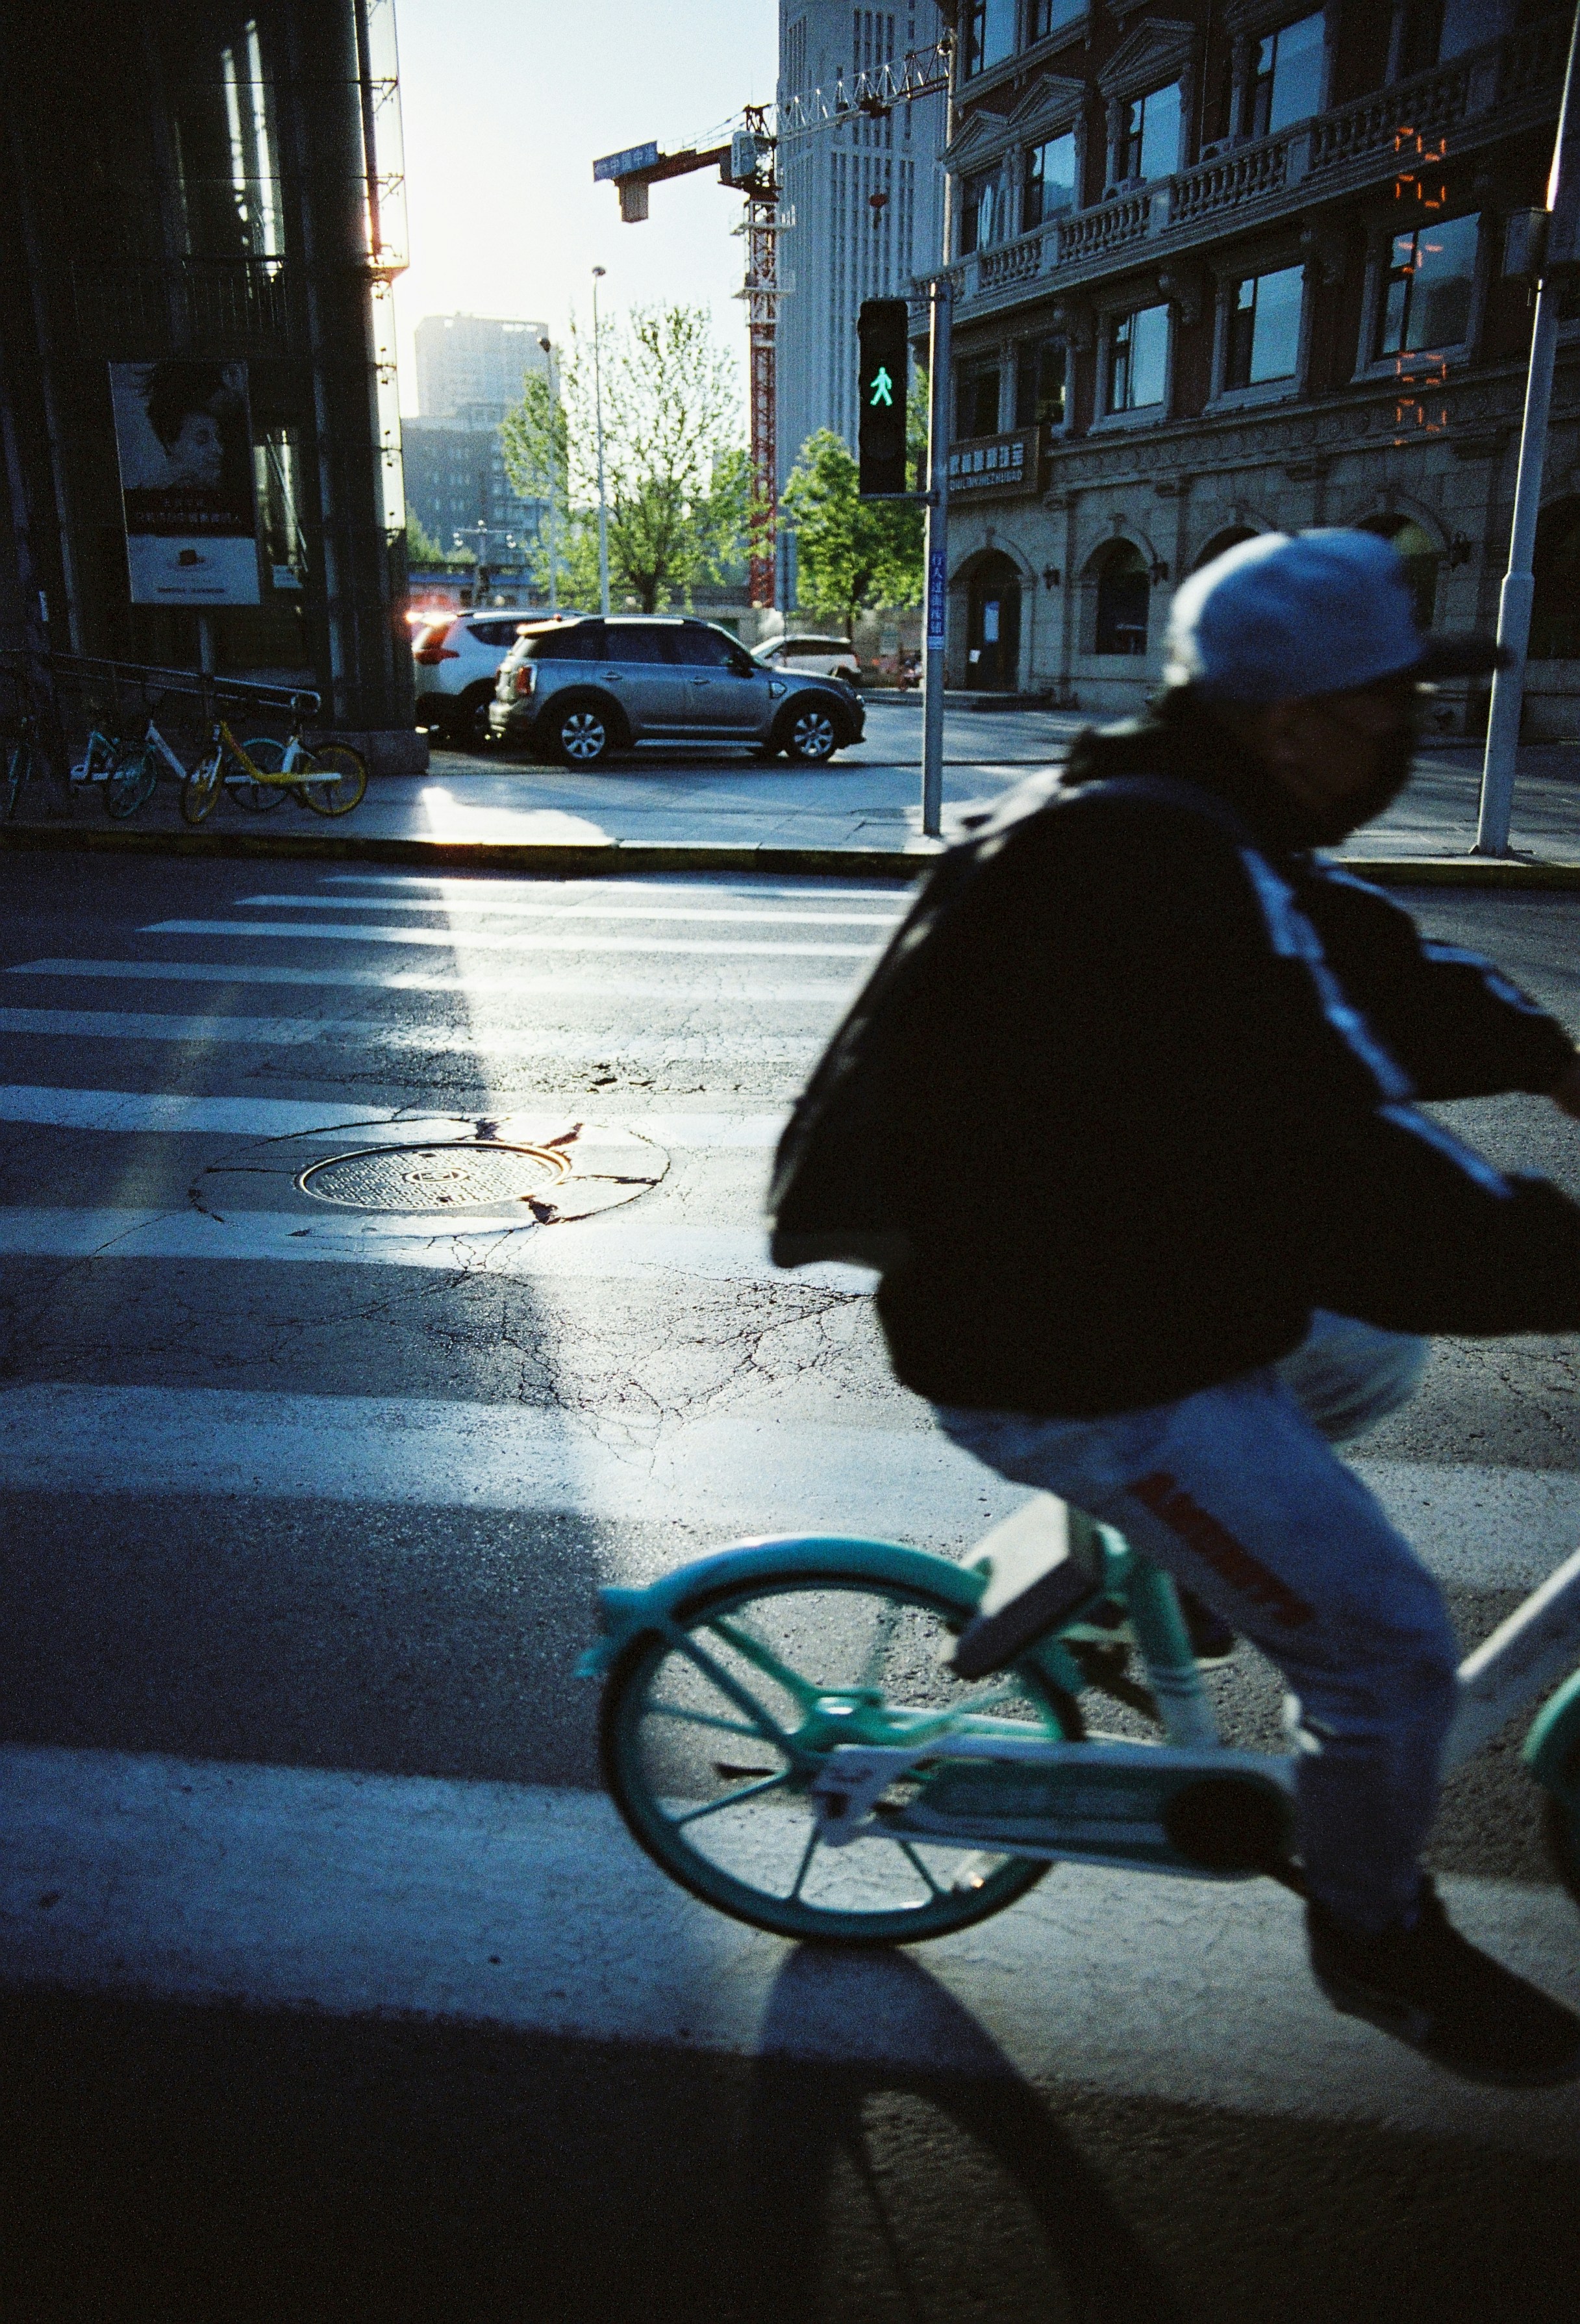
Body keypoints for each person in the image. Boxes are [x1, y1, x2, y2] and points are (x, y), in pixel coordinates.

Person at [870, 531, 1580, 2085]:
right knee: (1385, 1655)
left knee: (1366, 1346)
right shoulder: (1151, 869)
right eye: (1388, 703)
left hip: (1095, 1277)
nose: (1408, 731)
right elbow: (1344, 1162)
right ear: (1291, 724)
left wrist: (1542, 1054)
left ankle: (1164, 1578)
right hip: (1067, 1351)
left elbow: (1366, 973)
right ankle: (1371, 1933)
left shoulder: (1192, 828)